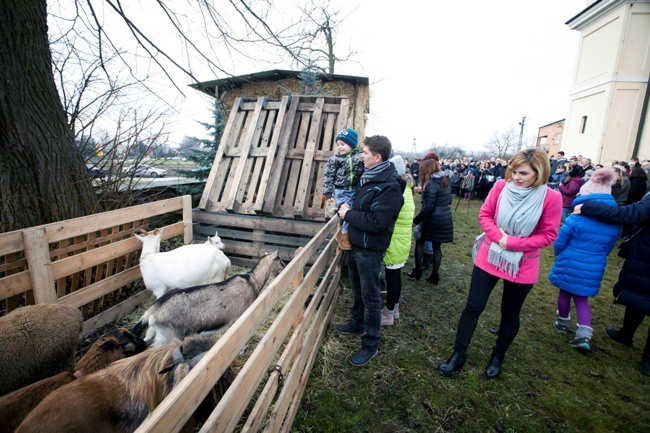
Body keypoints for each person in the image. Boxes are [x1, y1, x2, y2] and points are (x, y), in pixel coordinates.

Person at [438, 148, 561, 378]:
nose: (516, 177)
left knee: (510, 314)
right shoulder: (500, 187)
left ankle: (497, 357)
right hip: (490, 255)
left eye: (523, 173)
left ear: (540, 172)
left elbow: (548, 235)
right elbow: (485, 215)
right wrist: (499, 238)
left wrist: (511, 243)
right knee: (473, 306)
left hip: (523, 263)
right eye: (513, 171)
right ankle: (458, 355)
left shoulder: (551, 198)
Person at [335, 135, 405, 366]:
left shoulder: (390, 187)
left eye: (364, 153)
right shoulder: (369, 177)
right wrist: (349, 207)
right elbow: (362, 207)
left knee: (371, 297)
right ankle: (357, 323)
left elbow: (377, 222)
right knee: (358, 290)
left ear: (377, 157)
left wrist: (349, 215)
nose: (361, 156)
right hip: (357, 245)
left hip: (370, 249)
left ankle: (371, 342)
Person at [573, 192, 650, 376]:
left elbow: (627, 214)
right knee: (638, 296)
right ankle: (626, 334)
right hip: (645, 260)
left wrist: (588, 206)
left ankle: (648, 359)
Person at [548, 168, 620, 350]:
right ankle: (584, 335)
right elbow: (609, 247)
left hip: (570, 261)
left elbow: (560, 242)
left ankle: (562, 323)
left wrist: (559, 255)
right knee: (582, 299)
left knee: (564, 293)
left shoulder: (576, 218)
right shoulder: (613, 223)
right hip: (594, 265)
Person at [381, 155, 415, 326]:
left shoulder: (397, 189)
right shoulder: (407, 188)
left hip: (395, 240)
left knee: (392, 277)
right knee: (395, 277)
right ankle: (394, 309)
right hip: (402, 240)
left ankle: (388, 313)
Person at [409, 159, 453, 284]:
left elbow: (428, 207)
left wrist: (416, 221)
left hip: (433, 219)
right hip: (445, 217)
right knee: (437, 246)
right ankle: (435, 274)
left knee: (419, 241)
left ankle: (417, 270)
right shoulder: (445, 180)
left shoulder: (432, 184)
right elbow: (449, 200)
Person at [323, 128, 364, 250]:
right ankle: (344, 235)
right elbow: (328, 176)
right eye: (338, 144)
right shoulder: (334, 160)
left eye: (343, 144)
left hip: (355, 190)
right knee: (346, 210)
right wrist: (328, 193)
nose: (339, 147)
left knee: (350, 210)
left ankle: (344, 233)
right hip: (340, 190)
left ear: (352, 145)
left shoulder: (359, 158)